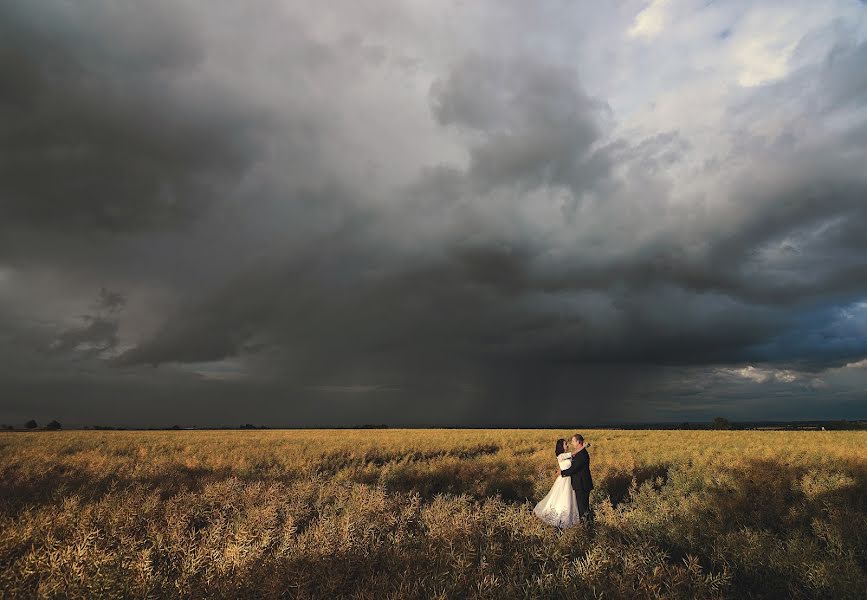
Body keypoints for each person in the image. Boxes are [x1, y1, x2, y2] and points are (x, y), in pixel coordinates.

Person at [532, 438, 581, 528]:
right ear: (561, 447)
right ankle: (560, 517)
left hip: (569, 479)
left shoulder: (566, 456)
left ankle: (568, 518)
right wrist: (584, 446)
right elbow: (574, 453)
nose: (567, 445)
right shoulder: (561, 456)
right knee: (563, 497)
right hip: (564, 480)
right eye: (565, 444)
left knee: (569, 498)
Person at [560, 433, 593, 520]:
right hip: (581, 484)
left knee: (582, 508)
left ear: (578, 442)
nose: (572, 443)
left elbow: (574, 469)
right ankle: (586, 523)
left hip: (582, 484)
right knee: (583, 507)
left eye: (573, 441)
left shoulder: (582, 454)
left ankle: (586, 526)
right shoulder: (580, 453)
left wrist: (562, 472)